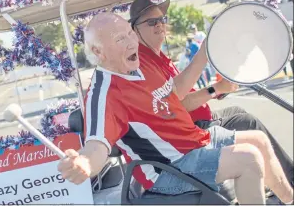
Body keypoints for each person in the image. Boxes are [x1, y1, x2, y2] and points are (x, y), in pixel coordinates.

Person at [57, 12, 294, 204]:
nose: (131, 41)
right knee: (249, 158)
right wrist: (86, 163)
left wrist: (207, 59)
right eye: (120, 39)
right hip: (169, 169)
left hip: (194, 142)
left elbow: (174, 92)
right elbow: (97, 145)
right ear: (99, 52)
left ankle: (290, 199)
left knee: (259, 140)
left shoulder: (138, 63)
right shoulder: (104, 93)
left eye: (130, 33)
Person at [128, 0, 294, 187]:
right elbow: (176, 103)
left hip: (198, 122)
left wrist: (217, 89)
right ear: (135, 30)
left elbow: (182, 94)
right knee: (248, 123)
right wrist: (215, 88)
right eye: (151, 22)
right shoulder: (143, 63)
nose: (159, 25)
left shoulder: (158, 57)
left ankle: (278, 181)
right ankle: (288, 182)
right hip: (190, 131)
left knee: (240, 113)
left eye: (161, 20)